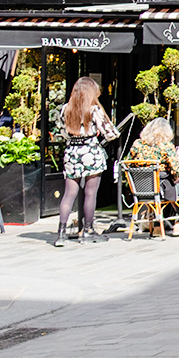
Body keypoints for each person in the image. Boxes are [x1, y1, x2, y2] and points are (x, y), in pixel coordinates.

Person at [55, 78, 119, 246]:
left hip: (72, 153)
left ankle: (61, 233)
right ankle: (88, 231)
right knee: (91, 193)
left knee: (69, 194)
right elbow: (110, 133)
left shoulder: (64, 110)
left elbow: (63, 133)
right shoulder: (94, 110)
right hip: (90, 151)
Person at [129, 117, 179, 235]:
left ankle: (157, 227)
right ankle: (177, 224)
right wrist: (177, 177)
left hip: (140, 188)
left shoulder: (137, 144)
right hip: (161, 188)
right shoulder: (166, 146)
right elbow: (176, 169)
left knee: (159, 195)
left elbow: (128, 163)